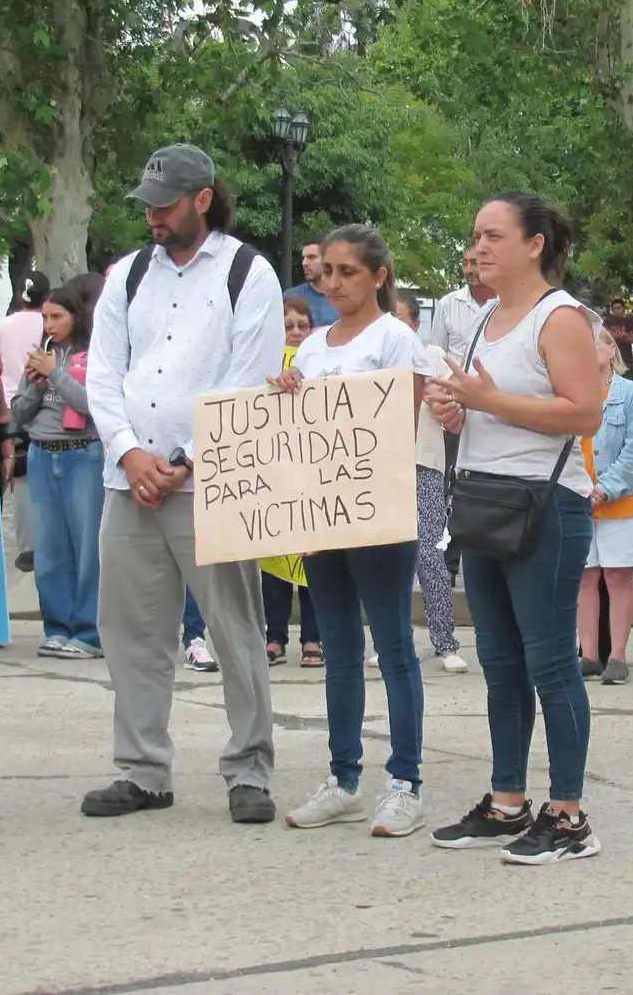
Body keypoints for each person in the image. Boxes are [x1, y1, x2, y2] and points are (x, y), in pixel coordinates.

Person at [82, 143, 280, 823]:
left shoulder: (247, 272)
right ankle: (142, 769)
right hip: (128, 482)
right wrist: (128, 452)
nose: (153, 218)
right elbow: (103, 373)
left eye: (164, 206)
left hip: (212, 482)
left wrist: (188, 458)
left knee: (234, 630)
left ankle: (249, 767)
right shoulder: (127, 273)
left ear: (203, 199)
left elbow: (249, 377)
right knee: (132, 631)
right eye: (147, 206)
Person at [425, 192, 604, 866]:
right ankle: (507, 801)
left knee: (551, 662)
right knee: (500, 662)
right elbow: (481, 407)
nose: (479, 247)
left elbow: (584, 413)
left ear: (535, 244)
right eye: (476, 235)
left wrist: (488, 400)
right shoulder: (483, 317)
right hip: (485, 501)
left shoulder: (560, 317)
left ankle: (569, 815)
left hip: (545, 505)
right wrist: (456, 408)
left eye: (494, 235)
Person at [274, 225, 433, 838]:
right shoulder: (312, 345)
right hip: (322, 514)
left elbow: (399, 421)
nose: (334, 283)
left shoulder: (395, 339)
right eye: (327, 272)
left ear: (378, 276)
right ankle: (343, 780)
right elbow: (295, 431)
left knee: (392, 648)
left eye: (348, 272)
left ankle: (405, 783)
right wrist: (287, 393)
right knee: (339, 651)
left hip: (378, 512)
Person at [11, 284, 103, 660]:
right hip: (42, 453)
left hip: (82, 454)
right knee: (49, 549)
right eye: (45, 317)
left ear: (76, 317)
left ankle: (89, 632)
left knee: (87, 547)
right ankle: (57, 628)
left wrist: (57, 376)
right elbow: (18, 413)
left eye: (57, 317)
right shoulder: (43, 354)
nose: (49, 324)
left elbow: (93, 406)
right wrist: (36, 386)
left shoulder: (94, 354)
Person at [575, 328, 633, 685]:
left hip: (621, 501)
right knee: (585, 578)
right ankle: (588, 655)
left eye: (594, 342)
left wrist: (604, 489)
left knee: (617, 576)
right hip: (578, 498)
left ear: (610, 350)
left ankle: (617, 655)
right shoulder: (570, 392)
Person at [394, 292, 467, 672]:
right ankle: (394, 639)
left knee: (430, 555)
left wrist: (422, 387)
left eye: (400, 319)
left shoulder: (433, 356)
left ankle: (445, 643)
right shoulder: (373, 359)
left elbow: (450, 402)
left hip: (424, 465)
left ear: (415, 324)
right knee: (390, 559)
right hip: (383, 468)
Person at [263, 295, 323, 667]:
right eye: (289, 326)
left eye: (303, 325)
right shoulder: (264, 362)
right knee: (273, 563)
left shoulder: (319, 361)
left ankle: (313, 638)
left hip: (312, 475)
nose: (296, 332)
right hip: (273, 475)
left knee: (311, 561)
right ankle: (275, 636)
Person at [0, 271, 50, 573]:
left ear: (18, 294)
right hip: (45, 402)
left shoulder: (4, 326)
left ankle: (28, 547)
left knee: (21, 479)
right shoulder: (50, 324)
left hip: (12, 406)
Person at [430, 244, 498, 368]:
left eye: (474, 263)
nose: (468, 270)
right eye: (465, 264)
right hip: (453, 379)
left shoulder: (508, 303)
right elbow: (436, 355)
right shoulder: (447, 304)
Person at [282, 241, 340, 329]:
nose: (304, 263)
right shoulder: (291, 296)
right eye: (304, 258)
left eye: (311, 257)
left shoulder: (343, 297)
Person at [602, 297, 633, 369]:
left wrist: (614, 335)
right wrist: (623, 334)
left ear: (623, 308)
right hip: (611, 359)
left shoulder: (629, 322)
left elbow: (631, 339)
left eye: (619, 308)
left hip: (626, 359)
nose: (616, 310)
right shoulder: (607, 322)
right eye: (614, 308)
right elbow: (604, 338)